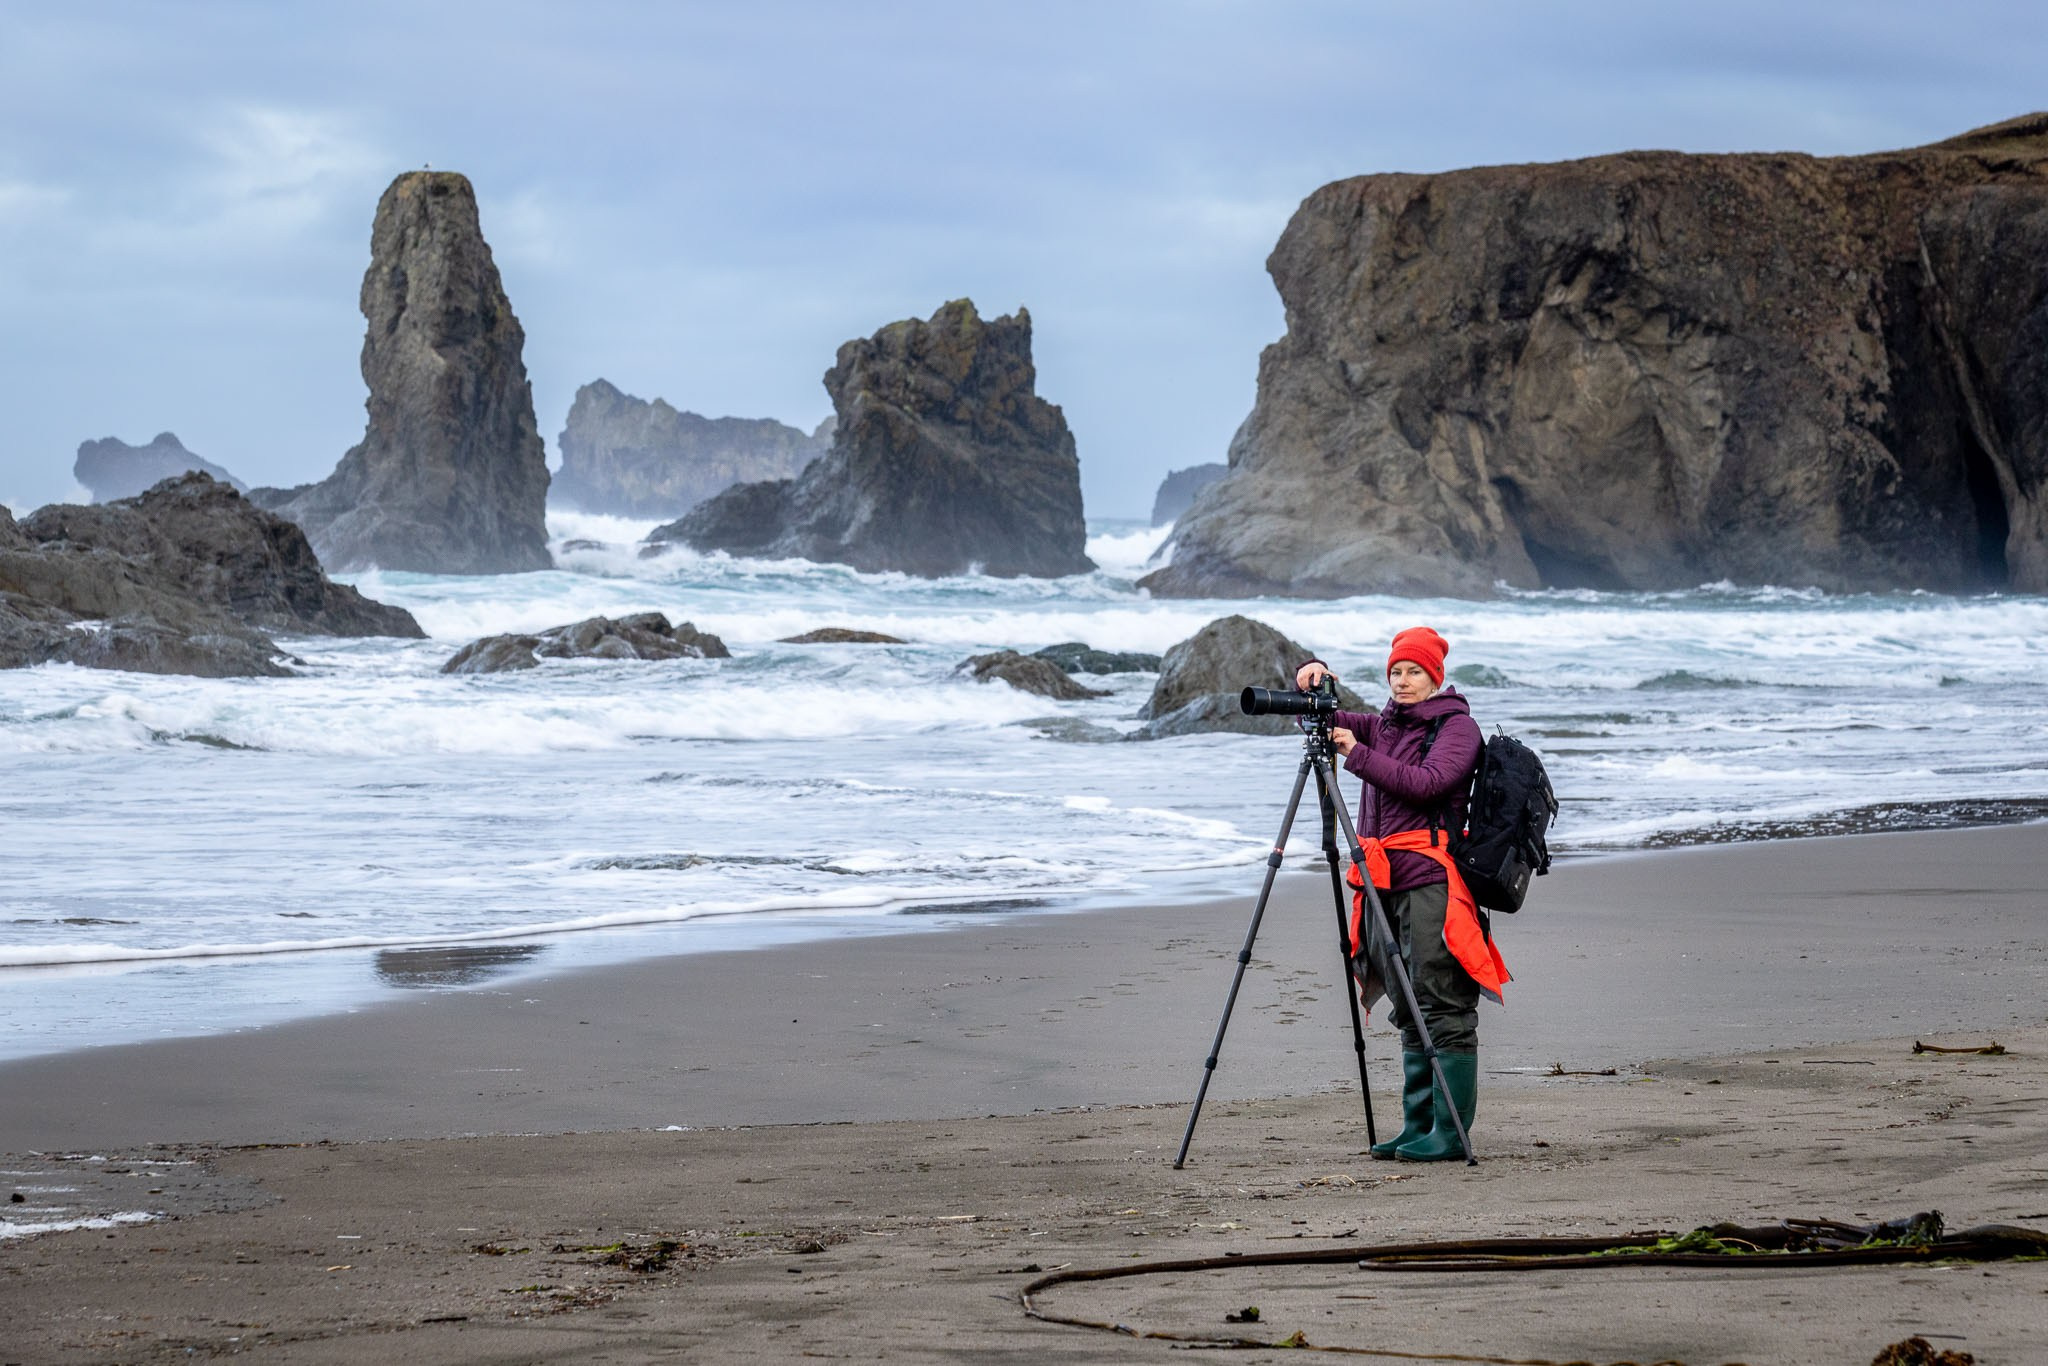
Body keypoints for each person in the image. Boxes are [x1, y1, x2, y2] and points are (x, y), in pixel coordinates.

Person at [1296, 627, 1509, 1162]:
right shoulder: (1384, 724)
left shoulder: (1457, 727)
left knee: (1440, 1001)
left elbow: (1429, 783)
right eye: (1396, 672)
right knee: (1408, 1003)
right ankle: (1418, 1128)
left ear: (1435, 676)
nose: (1404, 681)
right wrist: (1313, 678)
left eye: (1415, 672)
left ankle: (1451, 1131)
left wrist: (1358, 755)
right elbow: (1319, 721)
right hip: (1383, 878)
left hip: (1433, 881)